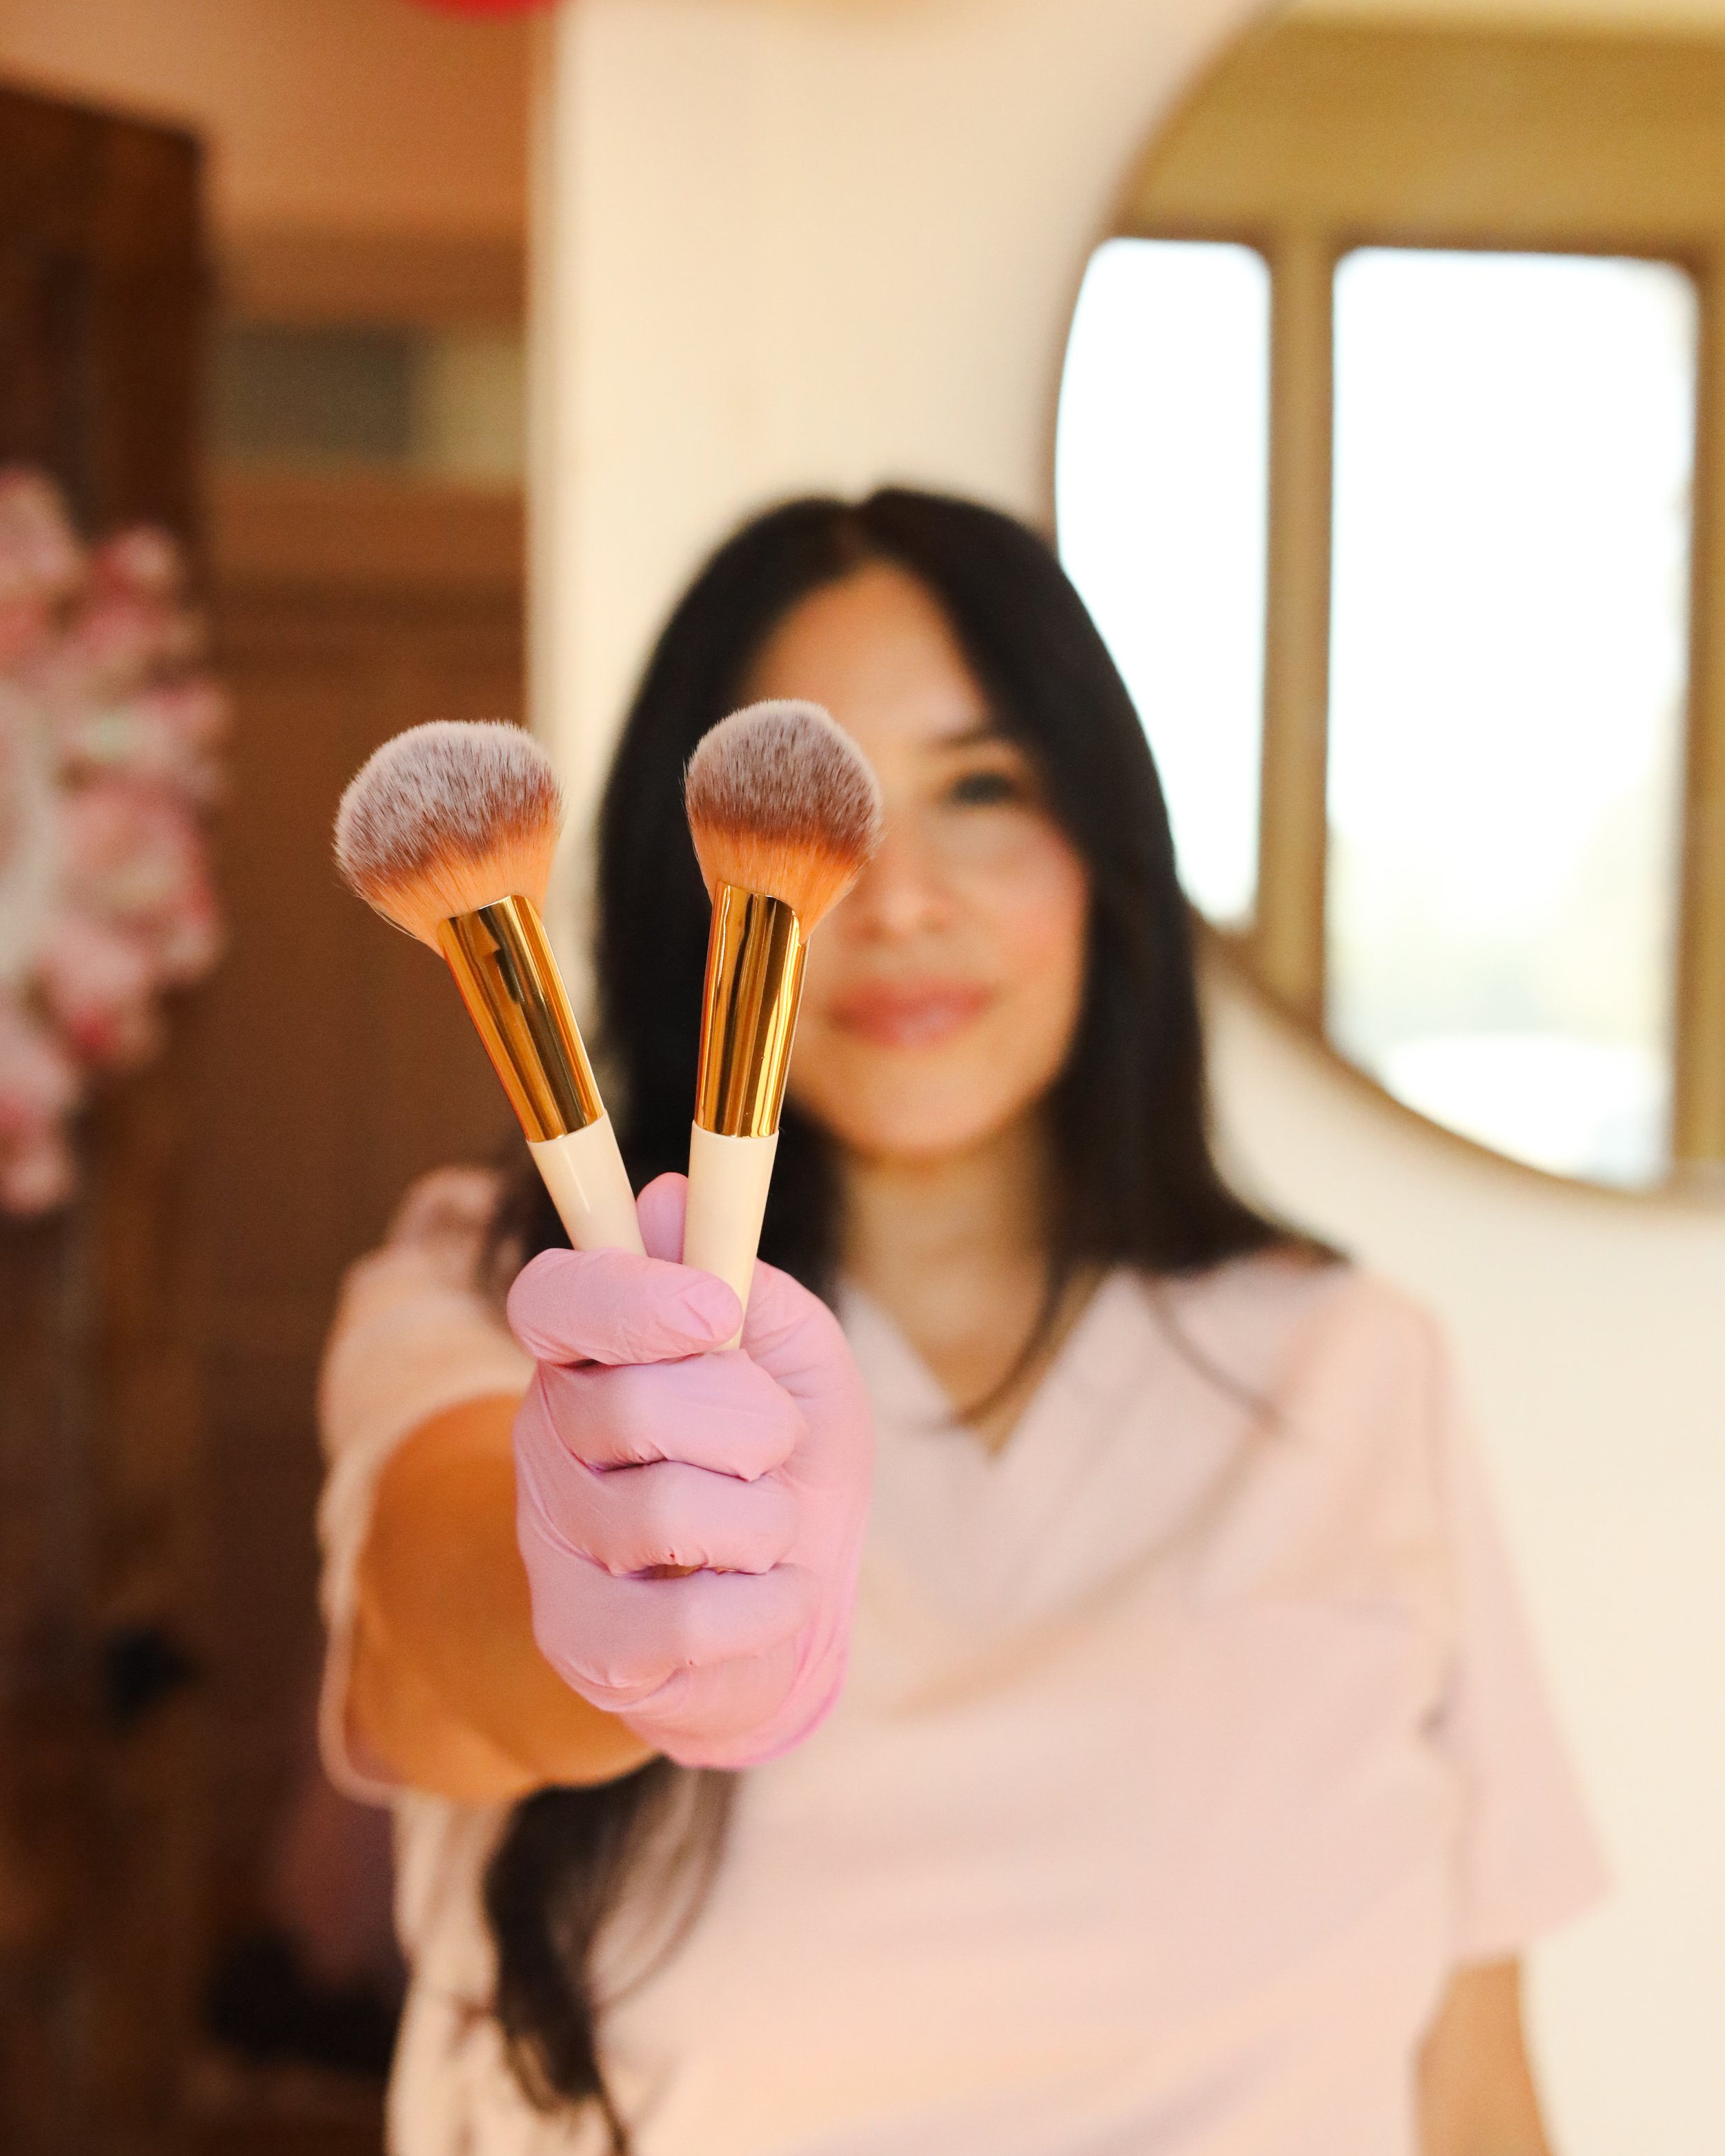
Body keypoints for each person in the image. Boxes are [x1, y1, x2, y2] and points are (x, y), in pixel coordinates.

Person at [317, 490, 1604, 2156]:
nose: (898, 896)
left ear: (1108, 848)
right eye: (833, 797)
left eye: (981, 788)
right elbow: (439, 1671)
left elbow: (1475, 2084)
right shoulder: (493, 1291)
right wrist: (614, 1619)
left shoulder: (1354, 1367)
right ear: (677, 875)